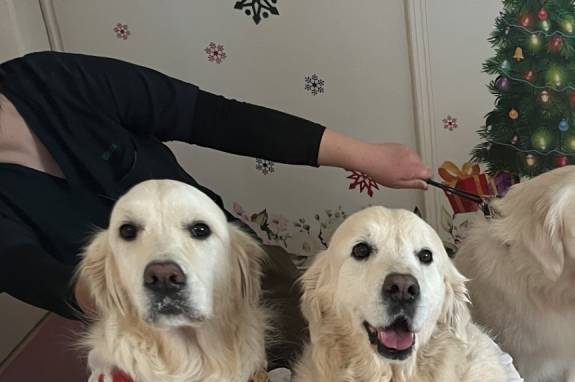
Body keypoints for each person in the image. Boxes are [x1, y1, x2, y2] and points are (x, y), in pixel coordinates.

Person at [0, 51, 431, 363]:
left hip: (242, 274)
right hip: (149, 330)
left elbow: (213, 118)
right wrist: (123, 298)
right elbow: (30, 270)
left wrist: (366, 157)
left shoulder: (54, 79)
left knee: (332, 355)